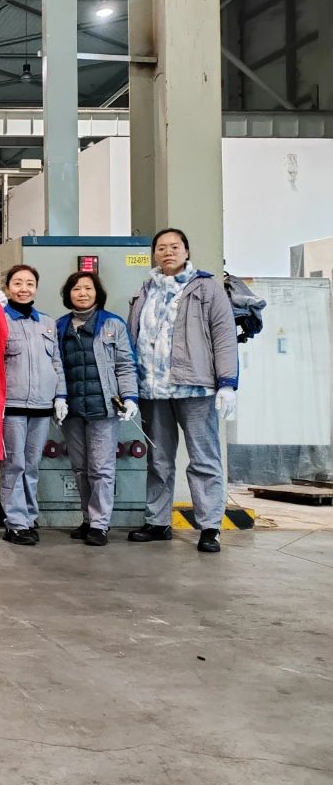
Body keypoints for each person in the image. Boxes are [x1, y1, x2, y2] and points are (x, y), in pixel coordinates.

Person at [127, 228, 239, 554]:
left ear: (186, 251)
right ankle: (157, 522)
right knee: (158, 460)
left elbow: (224, 336)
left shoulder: (207, 288)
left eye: (175, 247)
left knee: (204, 459)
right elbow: (133, 338)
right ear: (154, 254)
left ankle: (210, 527)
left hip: (195, 388)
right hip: (152, 390)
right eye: (161, 247)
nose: (168, 252)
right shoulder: (145, 290)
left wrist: (227, 383)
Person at [56, 270, 139, 547]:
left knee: (101, 469)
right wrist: (58, 398)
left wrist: (129, 397)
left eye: (88, 288)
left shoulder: (113, 324)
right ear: (68, 294)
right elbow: (55, 366)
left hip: (103, 409)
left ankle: (100, 524)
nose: (82, 293)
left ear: (97, 293)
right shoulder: (60, 326)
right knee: (80, 468)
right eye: (76, 289)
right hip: (72, 409)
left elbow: (125, 365)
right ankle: (88, 519)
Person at [0, 264, 67, 547]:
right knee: (13, 465)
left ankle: (28, 516)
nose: (23, 289)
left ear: (36, 288)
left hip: (41, 407)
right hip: (11, 406)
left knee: (32, 465)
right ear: (7, 288)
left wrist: (60, 396)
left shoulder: (47, 322)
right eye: (17, 283)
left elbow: (56, 362)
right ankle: (15, 523)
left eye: (29, 283)